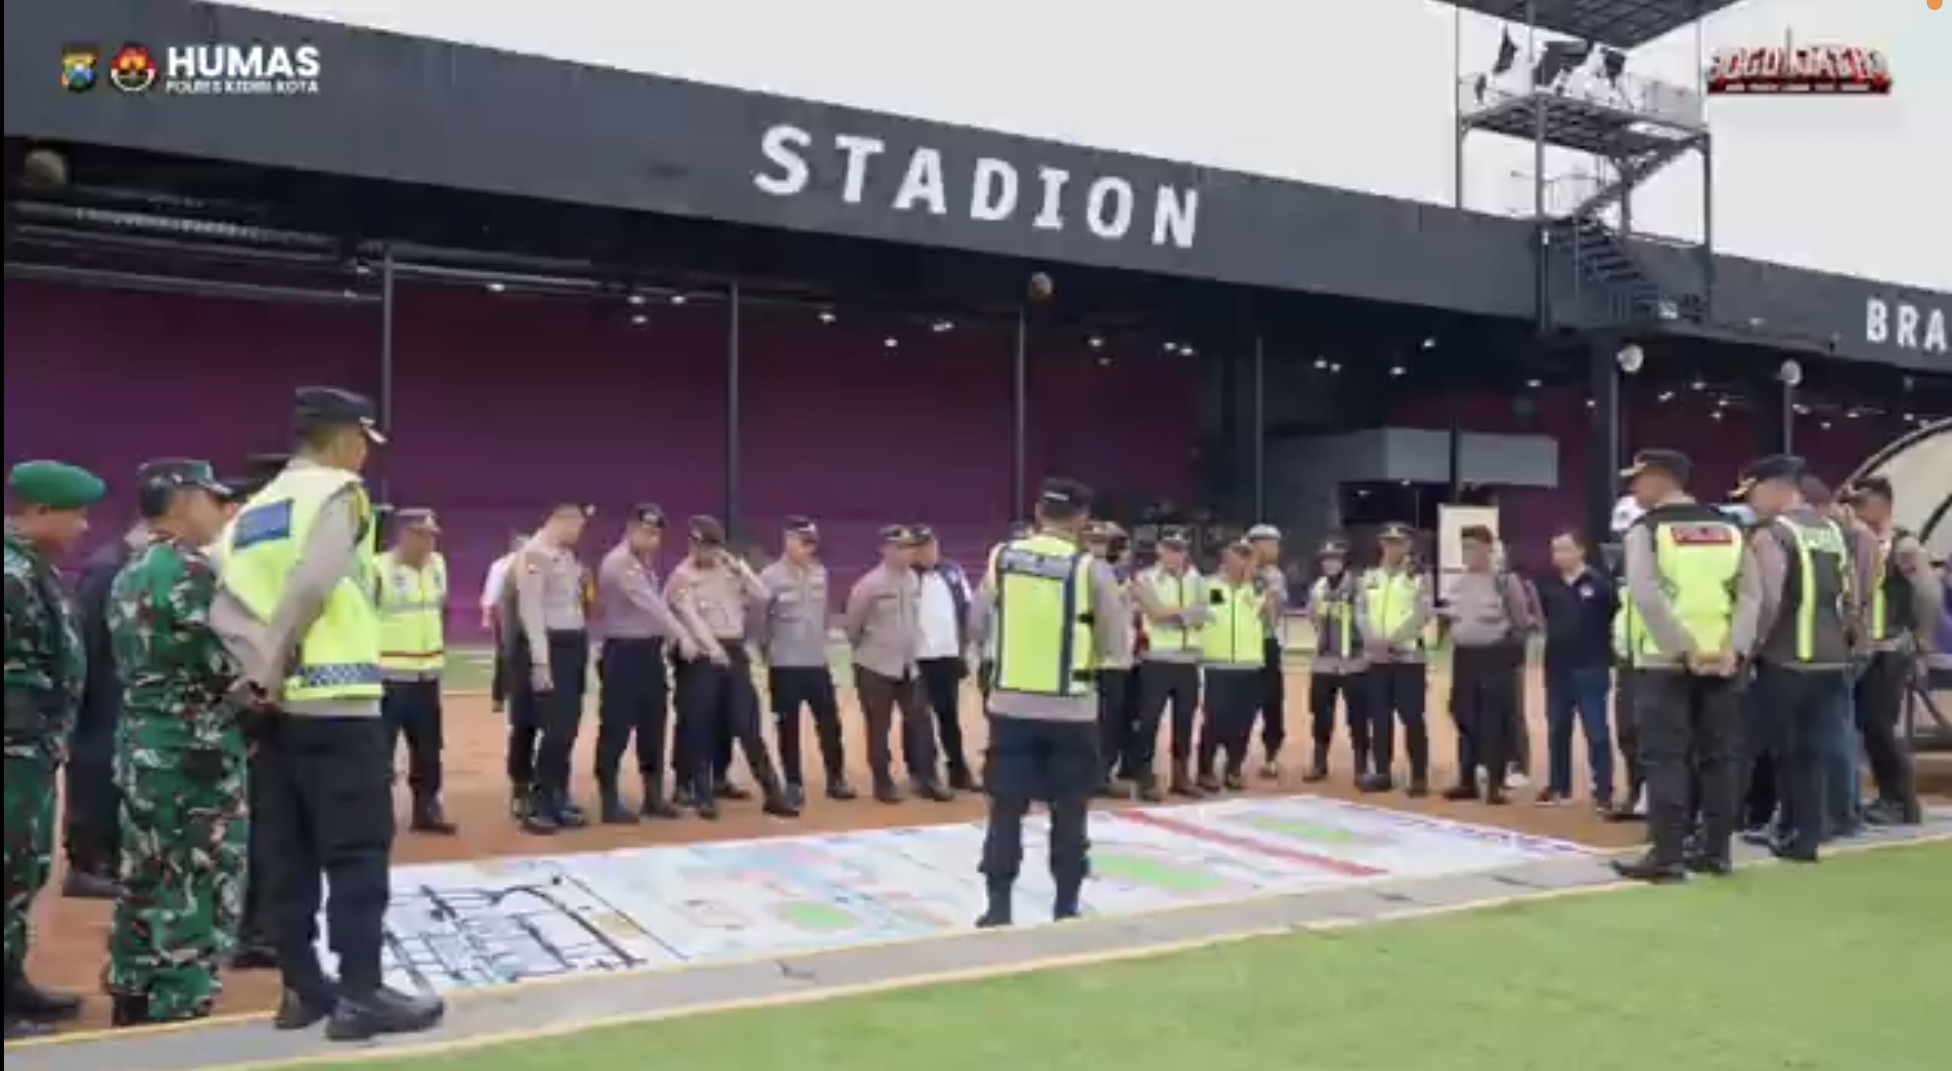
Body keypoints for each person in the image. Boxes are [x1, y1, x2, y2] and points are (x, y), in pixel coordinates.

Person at [211, 387, 443, 1037]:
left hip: (273, 713)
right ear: (344, 438)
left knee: (286, 852)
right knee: (356, 851)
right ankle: (362, 993)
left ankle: (302, 988)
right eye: (363, 440)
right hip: (338, 706)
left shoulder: (255, 508)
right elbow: (313, 582)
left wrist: (257, 670)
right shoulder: (339, 493)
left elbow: (222, 603)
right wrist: (275, 660)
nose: (365, 453)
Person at [103, 459, 245, 1025]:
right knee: (197, 875)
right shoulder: (190, 571)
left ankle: (132, 986)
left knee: (145, 871)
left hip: (141, 740)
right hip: (194, 748)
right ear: (184, 501)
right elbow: (221, 663)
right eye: (211, 499)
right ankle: (180, 1001)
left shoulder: (130, 569)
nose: (220, 512)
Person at [968, 478, 1128, 926]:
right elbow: (1115, 646)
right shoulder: (1090, 569)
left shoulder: (1002, 558)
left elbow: (976, 623)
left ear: (1038, 512)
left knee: (1005, 810)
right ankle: (1065, 905)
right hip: (1071, 709)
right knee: (1070, 811)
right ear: (1081, 518)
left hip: (1011, 706)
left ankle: (998, 906)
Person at [1611, 449, 1757, 883]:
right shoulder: (1729, 527)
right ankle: (1716, 851)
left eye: (1639, 478)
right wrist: (1733, 647)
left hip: (1664, 663)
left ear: (1660, 478)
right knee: (1719, 758)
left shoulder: (1647, 530)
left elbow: (1646, 595)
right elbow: (1750, 594)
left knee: (1665, 760)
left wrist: (1682, 648)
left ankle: (1668, 855)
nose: (1634, 488)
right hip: (1722, 663)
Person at [3, 459, 102, 1038]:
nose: (84, 526)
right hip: (9, 748)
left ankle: (9, 980)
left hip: (29, 750)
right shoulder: (8, 575)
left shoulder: (32, 569)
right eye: (75, 513)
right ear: (39, 511)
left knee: (22, 868)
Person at [1740, 456, 1856, 863]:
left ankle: (1711, 838)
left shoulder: (1774, 534)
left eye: (1754, 493)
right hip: (1830, 662)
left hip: (1785, 661)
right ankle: (1805, 837)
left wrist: (1749, 649)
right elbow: (1851, 598)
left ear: (1775, 488)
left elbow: (1768, 600)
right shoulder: (1832, 532)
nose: (1751, 503)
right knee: (1808, 753)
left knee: (1746, 747)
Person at [666, 516, 797, 818]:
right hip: (702, 655)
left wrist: (741, 568)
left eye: (714, 548)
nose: (709, 554)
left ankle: (772, 792)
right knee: (699, 723)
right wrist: (712, 650)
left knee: (746, 721)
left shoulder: (730, 570)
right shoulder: (681, 577)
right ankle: (702, 794)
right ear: (692, 545)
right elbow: (689, 617)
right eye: (703, 547)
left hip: (734, 650)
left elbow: (763, 596)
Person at [1844, 475, 1942, 826]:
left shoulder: (1903, 546)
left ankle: (1901, 801)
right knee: (1871, 725)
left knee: (1879, 724)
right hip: (1869, 648)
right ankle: (1891, 797)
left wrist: (1922, 637)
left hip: (1891, 647)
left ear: (1882, 504)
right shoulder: (1862, 542)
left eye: (1862, 503)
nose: (1856, 511)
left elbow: (1928, 593)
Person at [61, 519, 144, 901]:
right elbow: (87, 639)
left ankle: (104, 860)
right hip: (101, 692)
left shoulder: (118, 564)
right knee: (97, 770)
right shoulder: (109, 569)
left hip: (112, 688)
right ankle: (89, 865)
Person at [590, 504, 688, 822]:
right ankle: (609, 800)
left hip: (648, 654)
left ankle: (653, 796)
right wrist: (681, 636)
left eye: (657, 534)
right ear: (630, 528)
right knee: (616, 728)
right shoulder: (619, 563)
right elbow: (650, 605)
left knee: (653, 725)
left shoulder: (643, 563)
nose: (652, 540)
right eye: (647, 532)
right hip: (624, 654)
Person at [845, 526, 951, 803]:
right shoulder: (869, 584)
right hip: (875, 666)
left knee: (920, 722)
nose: (908, 552)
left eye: (910, 547)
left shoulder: (913, 580)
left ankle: (927, 777)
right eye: (901, 547)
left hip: (908, 666)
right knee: (879, 726)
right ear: (885, 549)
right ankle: (883, 782)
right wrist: (871, 649)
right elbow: (852, 627)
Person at [507, 503, 593, 833]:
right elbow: (531, 611)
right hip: (551, 647)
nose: (579, 534)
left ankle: (557, 797)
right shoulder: (535, 555)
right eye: (578, 527)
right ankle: (538, 803)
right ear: (562, 521)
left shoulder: (566, 556)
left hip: (572, 645)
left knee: (567, 727)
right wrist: (541, 661)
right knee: (555, 729)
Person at [755, 517, 852, 808]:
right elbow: (760, 620)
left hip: (816, 662)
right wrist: (768, 652)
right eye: (804, 542)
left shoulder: (820, 572)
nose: (809, 549)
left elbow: (824, 615)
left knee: (830, 723)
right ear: (788, 541)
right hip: (785, 664)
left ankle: (836, 778)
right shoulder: (770, 577)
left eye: (812, 543)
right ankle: (793, 782)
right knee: (789, 726)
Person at [372, 508, 457, 835]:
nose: (429, 542)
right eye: (422, 535)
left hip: (427, 675)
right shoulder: (378, 569)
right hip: (389, 677)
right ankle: (377, 814)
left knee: (429, 748)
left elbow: (441, 610)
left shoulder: (438, 566)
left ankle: (427, 808)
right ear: (404, 534)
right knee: (381, 750)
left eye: (432, 536)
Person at [1439, 525, 1533, 804]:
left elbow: (1521, 621)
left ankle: (1495, 783)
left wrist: (1512, 655)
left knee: (1494, 722)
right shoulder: (1459, 583)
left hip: (1495, 657)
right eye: (1465, 547)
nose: (1469, 553)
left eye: (1474, 547)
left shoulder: (1505, 582)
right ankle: (1467, 780)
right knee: (1464, 717)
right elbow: (1450, 618)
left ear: (1489, 549)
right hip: (1464, 657)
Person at [1535, 528, 1619, 811]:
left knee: (1596, 730)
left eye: (1564, 549)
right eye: (1555, 550)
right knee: (1558, 727)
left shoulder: (1599, 585)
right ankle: (1559, 786)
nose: (1558, 555)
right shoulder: (1549, 585)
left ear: (1581, 551)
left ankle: (1603, 790)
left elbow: (1613, 614)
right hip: (1557, 667)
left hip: (1591, 666)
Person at [1129, 526, 1208, 799]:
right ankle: (1144, 778)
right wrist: (1182, 614)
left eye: (1180, 549)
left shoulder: (1197, 580)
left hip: (1188, 661)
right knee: (1148, 721)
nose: (1175, 555)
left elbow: (1202, 615)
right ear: (1159, 549)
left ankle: (1181, 776)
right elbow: (1155, 614)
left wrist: (1168, 613)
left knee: (1185, 721)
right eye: (1170, 548)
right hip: (1156, 660)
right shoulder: (1145, 578)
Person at [1355, 523, 1433, 795]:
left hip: (1407, 658)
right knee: (1379, 718)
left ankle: (1419, 776)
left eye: (1398, 543)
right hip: (1377, 660)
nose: (1392, 547)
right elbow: (1361, 612)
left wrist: (1394, 640)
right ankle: (1382, 772)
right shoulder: (1369, 577)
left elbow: (1422, 614)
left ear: (1408, 546)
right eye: (1388, 542)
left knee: (1412, 717)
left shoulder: (1418, 577)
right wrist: (1372, 639)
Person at [1198, 541, 1269, 792]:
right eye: (1236, 557)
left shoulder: (1257, 588)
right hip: (1217, 664)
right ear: (1225, 560)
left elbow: (1271, 615)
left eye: (1246, 558)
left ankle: (1234, 767)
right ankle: (1205, 769)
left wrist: (1258, 585)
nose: (1241, 563)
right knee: (1215, 718)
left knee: (1244, 720)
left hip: (1250, 664)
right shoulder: (1207, 586)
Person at [912, 525, 978, 791]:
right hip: (917, 658)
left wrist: (963, 649)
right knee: (918, 719)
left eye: (929, 545)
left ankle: (958, 770)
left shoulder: (953, 572)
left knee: (949, 716)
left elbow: (967, 609)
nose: (926, 551)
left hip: (948, 656)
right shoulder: (908, 577)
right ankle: (924, 773)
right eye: (920, 547)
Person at [1083, 521, 1141, 798]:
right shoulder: (1095, 572)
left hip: (1123, 660)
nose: (1126, 552)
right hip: (1103, 660)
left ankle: (1103, 771)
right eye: (1121, 546)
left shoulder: (1122, 577)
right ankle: (1096, 776)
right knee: (1102, 721)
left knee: (1114, 721)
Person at [1303, 537, 1368, 784]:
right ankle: (1319, 762)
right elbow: (1312, 615)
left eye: (1335, 559)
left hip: (1353, 661)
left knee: (1357, 715)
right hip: (1324, 660)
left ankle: (1361, 765)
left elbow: (1366, 618)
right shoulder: (1318, 587)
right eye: (1326, 559)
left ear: (1344, 562)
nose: (1330, 564)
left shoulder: (1358, 586)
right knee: (1321, 713)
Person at [1245, 524, 1288, 778]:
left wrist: (1267, 594)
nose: (1276, 549)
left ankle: (1271, 754)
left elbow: (1273, 613)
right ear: (1255, 545)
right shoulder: (1235, 572)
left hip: (1267, 643)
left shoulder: (1275, 576)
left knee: (1272, 702)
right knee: (1239, 702)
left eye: (1276, 544)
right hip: (1241, 645)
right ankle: (1233, 755)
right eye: (1271, 544)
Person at [479, 533, 525, 714]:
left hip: (526, 614)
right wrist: (487, 616)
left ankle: (509, 698)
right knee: (506, 656)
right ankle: (500, 697)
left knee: (512, 656)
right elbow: (491, 593)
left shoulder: (532, 564)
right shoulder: (501, 565)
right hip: (506, 614)